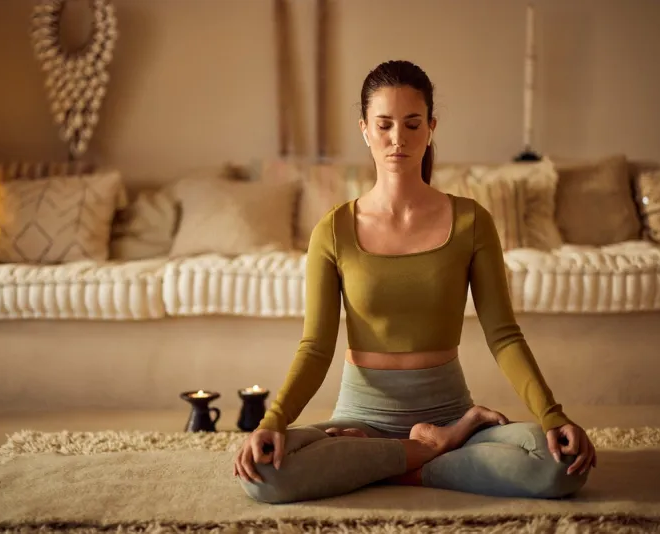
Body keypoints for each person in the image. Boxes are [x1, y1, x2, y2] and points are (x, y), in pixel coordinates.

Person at [233, 60, 596, 504]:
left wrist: (553, 416)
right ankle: (427, 451)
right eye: (384, 125)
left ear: (431, 127)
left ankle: (387, 463)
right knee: (264, 475)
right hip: (361, 420)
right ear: (365, 129)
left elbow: (503, 335)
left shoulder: (471, 221)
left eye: (412, 123)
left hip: (448, 411)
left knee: (556, 468)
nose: (398, 139)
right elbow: (316, 346)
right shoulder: (332, 230)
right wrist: (272, 421)